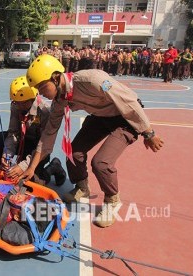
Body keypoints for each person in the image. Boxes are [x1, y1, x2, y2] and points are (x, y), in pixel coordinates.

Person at [21, 54, 164, 228]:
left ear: (56, 77)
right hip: (101, 116)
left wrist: (149, 133)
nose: (41, 93)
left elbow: (129, 103)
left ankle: (112, 201)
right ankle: (83, 188)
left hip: (125, 118)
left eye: (42, 87)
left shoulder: (92, 81)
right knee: (73, 152)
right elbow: (48, 135)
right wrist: (31, 167)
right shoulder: (59, 101)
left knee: (101, 163)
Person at [0, 76, 65, 185]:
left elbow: (43, 145)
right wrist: (7, 154)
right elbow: (13, 132)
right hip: (23, 141)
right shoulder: (17, 106)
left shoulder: (45, 112)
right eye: (16, 102)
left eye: (23, 103)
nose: (19, 106)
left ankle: (53, 167)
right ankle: (6, 168)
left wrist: (23, 166)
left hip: (39, 149)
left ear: (33, 98)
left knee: (33, 181)